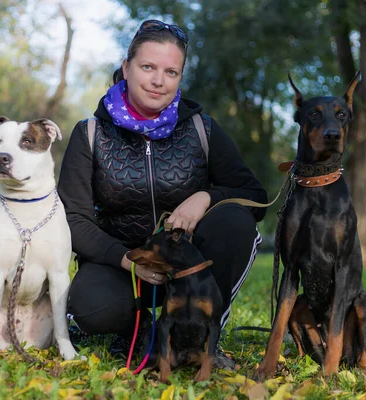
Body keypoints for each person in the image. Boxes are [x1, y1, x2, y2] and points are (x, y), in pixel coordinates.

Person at [57, 19, 267, 369]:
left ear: (180, 77)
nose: (158, 81)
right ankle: (138, 332)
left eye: (171, 72)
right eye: (148, 67)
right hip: (122, 266)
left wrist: (206, 198)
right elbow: (73, 218)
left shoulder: (203, 129)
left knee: (236, 222)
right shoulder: (90, 134)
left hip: (189, 267)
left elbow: (252, 193)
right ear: (126, 68)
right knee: (93, 305)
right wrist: (127, 259)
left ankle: (204, 337)